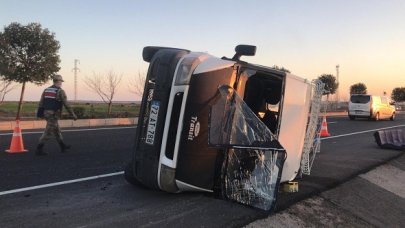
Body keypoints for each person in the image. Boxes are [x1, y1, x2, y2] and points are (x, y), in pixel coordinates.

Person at [35, 75, 77, 156]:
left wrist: (39, 114)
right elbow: (66, 104)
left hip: (46, 113)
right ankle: (39, 149)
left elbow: (41, 102)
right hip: (53, 115)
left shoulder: (46, 90)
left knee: (56, 130)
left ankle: (62, 146)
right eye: (61, 81)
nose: (61, 83)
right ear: (59, 81)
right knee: (48, 132)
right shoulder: (60, 91)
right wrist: (73, 114)